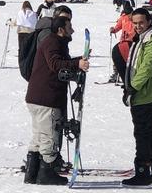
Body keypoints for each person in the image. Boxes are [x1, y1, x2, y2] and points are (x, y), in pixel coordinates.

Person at [23, 15, 89, 185]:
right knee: (49, 136)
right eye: (69, 27)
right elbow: (55, 64)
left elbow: (59, 62)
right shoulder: (53, 42)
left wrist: (76, 62)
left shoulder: (53, 42)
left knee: (39, 136)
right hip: (47, 98)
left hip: (37, 96)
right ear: (61, 30)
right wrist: (77, 64)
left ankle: (32, 172)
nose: (72, 30)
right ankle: (46, 173)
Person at [121, 8, 152, 186]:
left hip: (146, 94)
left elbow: (148, 67)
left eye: (141, 22)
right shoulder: (143, 39)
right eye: (135, 23)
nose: (138, 26)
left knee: (143, 134)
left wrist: (133, 88)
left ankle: (143, 171)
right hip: (143, 94)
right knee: (148, 134)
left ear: (149, 21)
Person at [108, 4, 135, 83]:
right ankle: (116, 74)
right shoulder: (123, 17)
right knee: (118, 58)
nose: (128, 15)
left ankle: (129, 75)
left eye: (129, 13)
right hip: (123, 41)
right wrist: (113, 30)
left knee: (130, 59)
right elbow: (118, 26)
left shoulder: (135, 18)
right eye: (127, 13)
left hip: (132, 42)